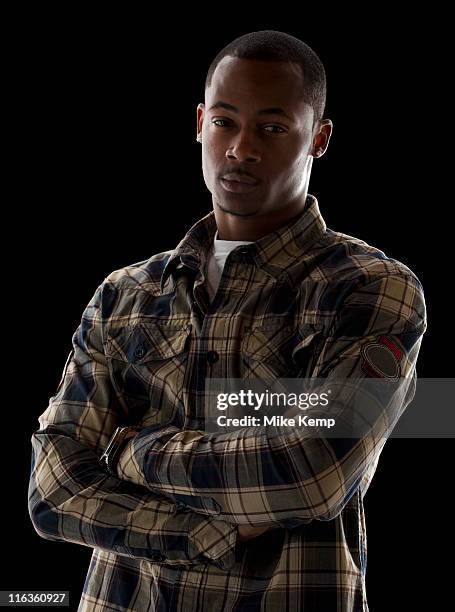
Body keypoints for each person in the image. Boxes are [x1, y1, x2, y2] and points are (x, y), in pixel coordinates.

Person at [28, 30, 427, 611]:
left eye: (271, 127)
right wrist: (206, 533)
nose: (241, 148)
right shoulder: (126, 294)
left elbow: (309, 475)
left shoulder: (369, 290)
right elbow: (53, 488)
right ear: (198, 122)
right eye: (224, 122)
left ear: (318, 138)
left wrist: (130, 451)